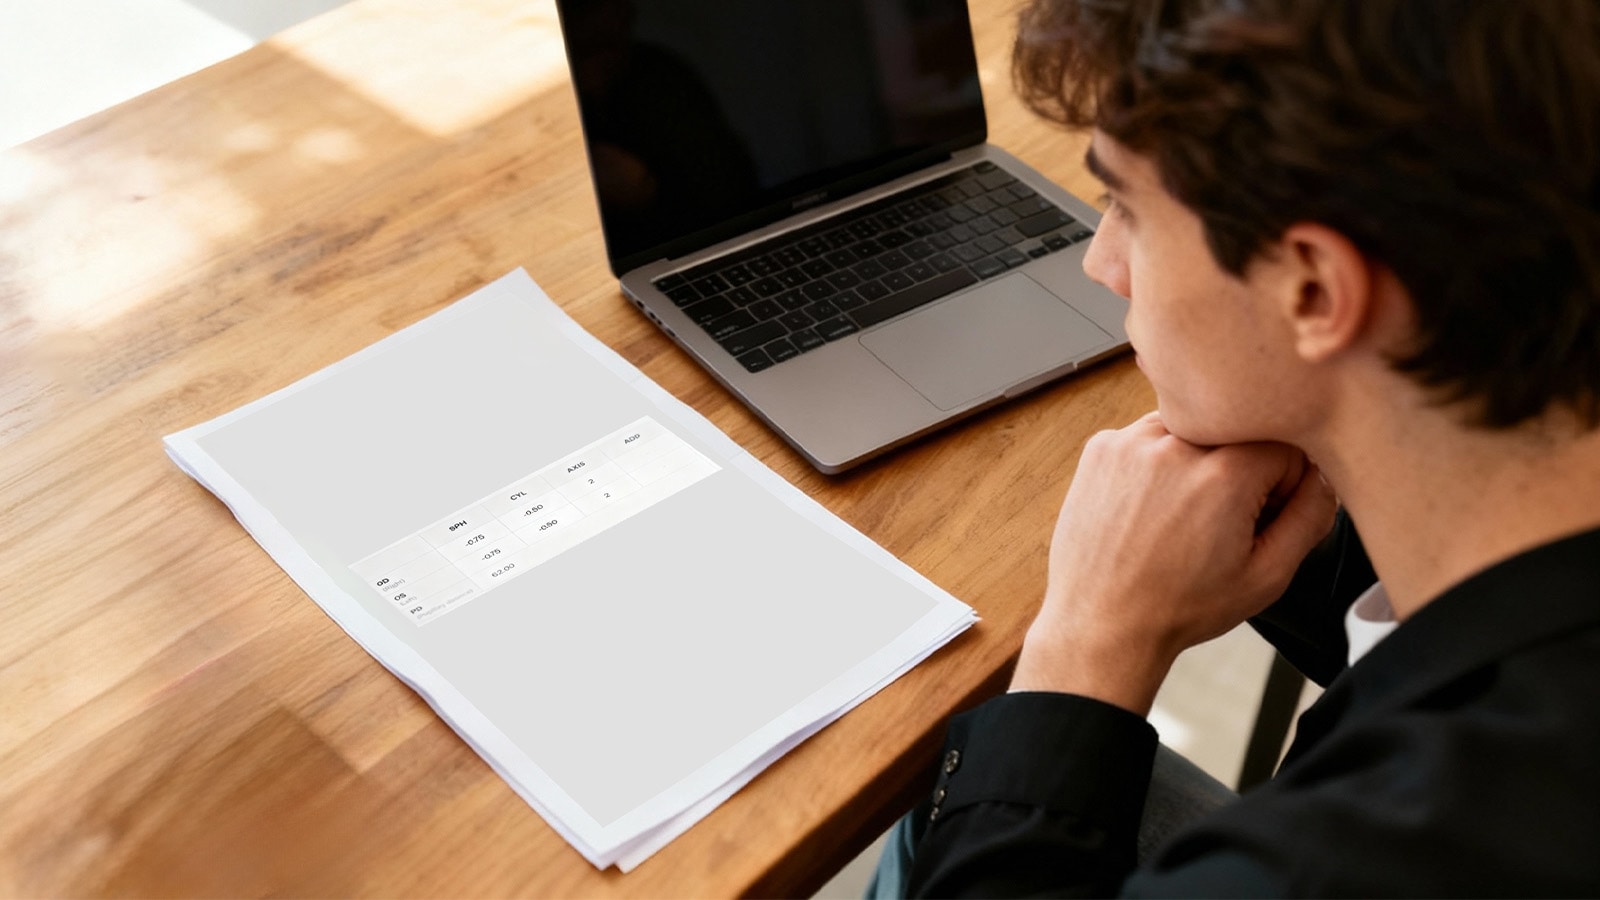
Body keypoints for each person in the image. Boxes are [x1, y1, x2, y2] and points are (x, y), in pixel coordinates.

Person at [872, 0, 1600, 894]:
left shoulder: (1361, 853)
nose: (1101, 264)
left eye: (1125, 206)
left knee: (953, 803)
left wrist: (1091, 638)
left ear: (1314, 290)